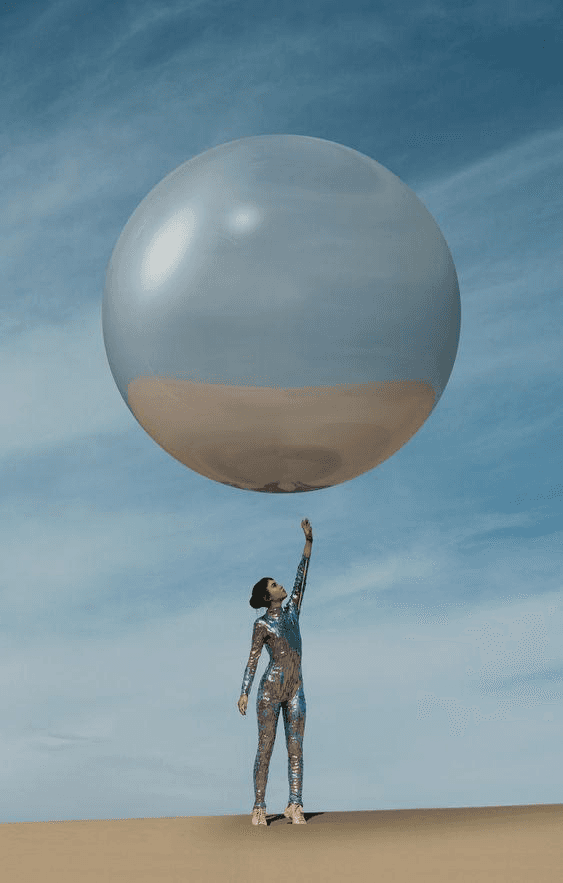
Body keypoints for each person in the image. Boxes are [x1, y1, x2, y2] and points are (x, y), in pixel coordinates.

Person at [238, 518, 313, 826]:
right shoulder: (262, 625)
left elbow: (301, 579)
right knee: (265, 745)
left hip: (295, 686)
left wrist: (308, 543)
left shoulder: (293, 610)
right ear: (268, 597)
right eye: (273, 585)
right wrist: (244, 690)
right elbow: (254, 658)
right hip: (270, 689)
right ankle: (259, 805)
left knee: (295, 745)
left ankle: (295, 804)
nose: (279, 585)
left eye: (276, 583)